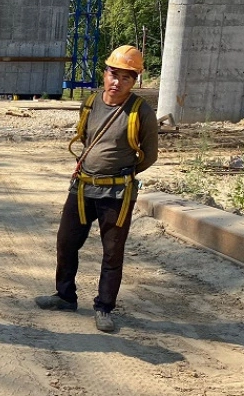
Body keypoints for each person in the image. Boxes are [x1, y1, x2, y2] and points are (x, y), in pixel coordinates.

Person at [35, 45, 159, 332]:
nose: (117, 82)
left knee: (112, 251)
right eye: (114, 74)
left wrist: (121, 174)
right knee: (66, 242)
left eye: (126, 78)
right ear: (105, 74)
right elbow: (86, 139)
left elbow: (149, 155)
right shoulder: (90, 103)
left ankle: (104, 307)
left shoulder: (140, 111)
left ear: (134, 81)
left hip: (117, 193)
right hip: (82, 187)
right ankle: (65, 296)